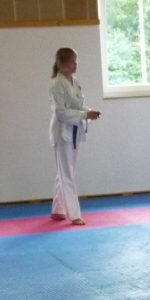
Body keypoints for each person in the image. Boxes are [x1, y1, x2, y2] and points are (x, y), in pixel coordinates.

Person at [49, 48, 100, 226]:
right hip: (62, 132)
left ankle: (58, 209)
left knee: (65, 171)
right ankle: (74, 214)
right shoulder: (56, 84)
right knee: (67, 174)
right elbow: (61, 112)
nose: (76, 64)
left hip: (75, 130)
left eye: (76, 60)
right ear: (62, 63)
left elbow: (79, 105)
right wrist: (84, 115)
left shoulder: (75, 81)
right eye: (72, 61)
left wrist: (89, 112)